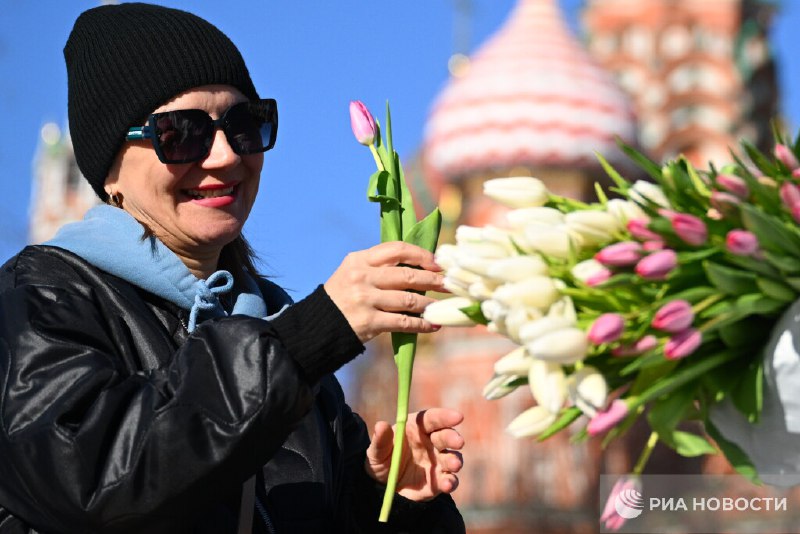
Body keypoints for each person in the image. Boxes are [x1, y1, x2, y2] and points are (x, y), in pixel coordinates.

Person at [0, 3, 465, 533]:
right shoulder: (41, 299)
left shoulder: (278, 331)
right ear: (110, 170)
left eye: (245, 125)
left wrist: (388, 500)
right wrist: (309, 338)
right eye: (180, 133)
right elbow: (91, 481)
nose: (224, 156)